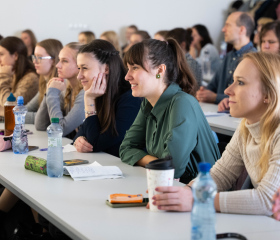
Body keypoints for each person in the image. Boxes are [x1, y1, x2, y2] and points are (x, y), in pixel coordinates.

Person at [152, 52, 280, 217]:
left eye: (240, 82)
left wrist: (198, 199)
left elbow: (268, 200)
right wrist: (184, 193)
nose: (228, 90)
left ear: (268, 95)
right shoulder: (246, 127)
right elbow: (221, 175)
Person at [120, 39, 220, 184]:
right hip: (172, 186)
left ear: (160, 70)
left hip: (201, 196)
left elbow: (173, 169)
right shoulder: (148, 103)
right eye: (128, 68)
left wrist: (151, 162)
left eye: (135, 68)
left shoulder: (182, 103)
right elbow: (125, 149)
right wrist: (157, 163)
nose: (127, 76)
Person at [72, 39, 141, 157]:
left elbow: (95, 144)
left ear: (106, 69)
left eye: (85, 68)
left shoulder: (130, 99)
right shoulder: (98, 94)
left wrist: (88, 100)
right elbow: (82, 134)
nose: (79, 76)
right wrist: (80, 139)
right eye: (79, 68)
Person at [218, 20, 280, 112]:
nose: (265, 46)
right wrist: (233, 101)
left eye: (271, 42)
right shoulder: (258, 65)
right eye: (263, 41)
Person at [196, 12, 256, 104]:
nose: (223, 29)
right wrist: (203, 92)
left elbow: (248, 96)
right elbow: (213, 85)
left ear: (241, 30)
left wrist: (215, 97)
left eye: (228, 25)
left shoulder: (254, 59)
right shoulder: (229, 56)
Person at [35, 43, 85, 139]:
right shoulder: (66, 88)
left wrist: (52, 93)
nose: (58, 65)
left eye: (64, 61)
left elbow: (60, 130)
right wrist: (49, 92)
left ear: (80, 65)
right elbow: (40, 125)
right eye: (59, 60)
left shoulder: (84, 94)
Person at [25, 39, 63, 124]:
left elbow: (45, 119)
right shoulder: (44, 82)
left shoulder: (59, 85)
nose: (34, 61)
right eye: (34, 57)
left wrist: (7, 113)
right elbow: (26, 109)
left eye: (39, 57)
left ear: (53, 60)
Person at [0, 36, 38, 116]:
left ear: (15, 55)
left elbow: (9, 107)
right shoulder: (11, 73)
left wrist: (3, 76)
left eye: (1, 54)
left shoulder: (30, 78)